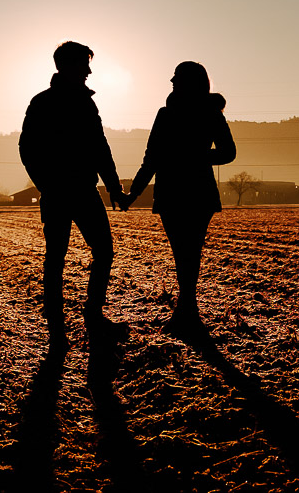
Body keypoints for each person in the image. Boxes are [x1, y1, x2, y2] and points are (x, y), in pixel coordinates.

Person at [19, 41, 128, 346]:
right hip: (65, 192)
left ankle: (89, 318)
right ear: (68, 66)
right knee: (58, 258)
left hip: (81, 190)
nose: (89, 71)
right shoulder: (44, 103)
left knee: (89, 253)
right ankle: (60, 327)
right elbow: (28, 149)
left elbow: (99, 149)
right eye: (84, 64)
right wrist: (47, 184)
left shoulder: (81, 102)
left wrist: (114, 187)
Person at [122, 61, 236, 335]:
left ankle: (187, 312)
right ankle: (188, 311)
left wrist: (193, 156)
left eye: (176, 78)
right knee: (186, 252)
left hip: (185, 192)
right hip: (186, 193)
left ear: (189, 82)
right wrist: (134, 194)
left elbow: (228, 152)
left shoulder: (194, 114)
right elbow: (150, 159)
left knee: (187, 252)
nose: (171, 82)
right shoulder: (172, 113)